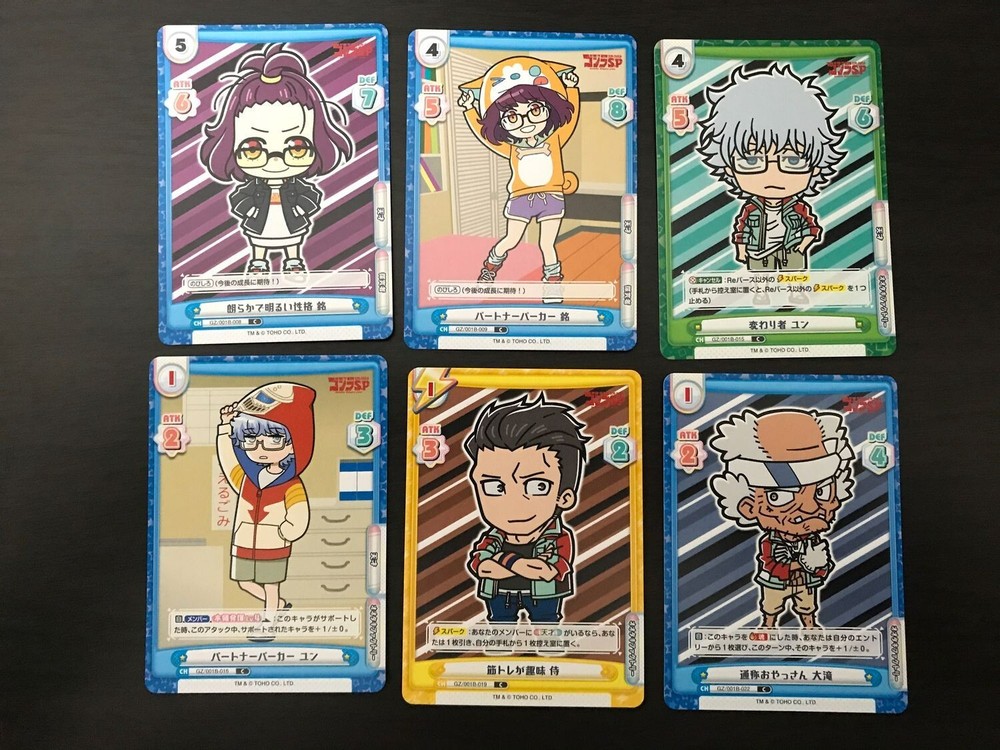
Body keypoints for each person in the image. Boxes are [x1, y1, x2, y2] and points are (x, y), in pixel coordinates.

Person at [200, 44, 354, 273]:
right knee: (258, 242)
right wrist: (249, 210)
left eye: (296, 147)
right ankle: (258, 262)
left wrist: (302, 209)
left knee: (293, 240)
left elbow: (311, 196)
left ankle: (293, 261)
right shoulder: (252, 186)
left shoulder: (297, 185)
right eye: (253, 148)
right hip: (260, 221)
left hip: (290, 219)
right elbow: (238, 198)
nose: (275, 160)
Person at [708, 407, 855, 628]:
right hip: (776, 583)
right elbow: (773, 565)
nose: (809, 507)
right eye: (780, 496)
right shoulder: (770, 542)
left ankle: (810, 625)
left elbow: (824, 565)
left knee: (807, 605)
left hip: (805, 582)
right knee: (771, 605)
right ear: (748, 506)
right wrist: (802, 563)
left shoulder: (814, 541)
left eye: (822, 491)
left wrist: (819, 566)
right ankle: (768, 625)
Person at [458, 57, 580, 302]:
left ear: (550, 108)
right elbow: (483, 135)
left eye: (535, 111)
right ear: (500, 122)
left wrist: (571, 88)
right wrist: (470, 108)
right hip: (521, 199)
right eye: (513, 117)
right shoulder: (511, 147)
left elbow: (572, 117)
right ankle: (489, 269)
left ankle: (552, 286)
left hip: (552, 197)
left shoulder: (554, 138)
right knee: (511, 240)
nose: (526, 123)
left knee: (547, 244)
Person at [464, 395, 588, 623]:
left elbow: (545, 572)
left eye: (537, 486)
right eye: (494, 487)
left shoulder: (559, 537)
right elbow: (484, 569)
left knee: (547, 633)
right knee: (499, 634)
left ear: (564, 497)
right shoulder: (491, 538)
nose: (512, 503)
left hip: (545, 599)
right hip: (500, 598)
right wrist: (521, 565)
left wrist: (503, 559)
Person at [216, 382, 316, 640]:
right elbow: (228, 461)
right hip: (243, 542)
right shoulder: (247, 479)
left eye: (273, 441)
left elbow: (299, 512)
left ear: (293, 445)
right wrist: (225, 428)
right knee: (244, 582)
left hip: (274, 545)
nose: (260, 449)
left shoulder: (291, 484)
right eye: (251, 440)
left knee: (271, 586)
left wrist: (286, 532)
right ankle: (279, 606)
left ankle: (268, 625)